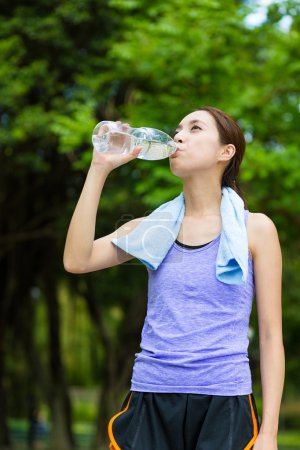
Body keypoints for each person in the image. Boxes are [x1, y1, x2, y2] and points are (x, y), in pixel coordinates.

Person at [63, 106, 285, 450]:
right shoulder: (153, 228)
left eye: (195, 129)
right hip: (151, 395)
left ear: (226, 152)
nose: (179, 136)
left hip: (224, 401)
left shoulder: (255, 229)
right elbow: (78, 260)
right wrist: (99, 167)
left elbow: (271, 336)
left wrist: (269, 433)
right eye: (178, 128)